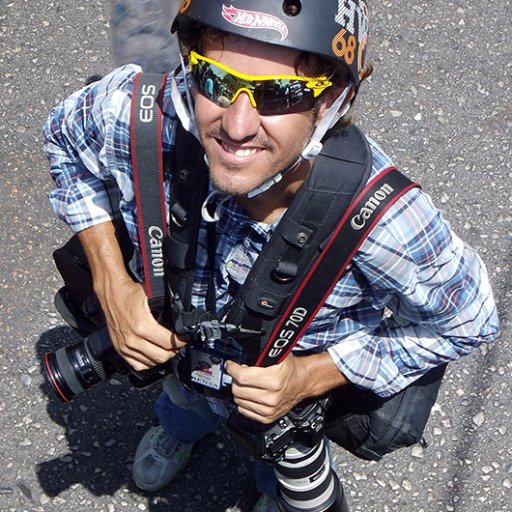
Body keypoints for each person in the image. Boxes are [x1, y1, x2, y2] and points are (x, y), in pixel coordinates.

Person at [43, 1, 499, 511]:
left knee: (280, 457)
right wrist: (113, 284)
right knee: (181, 401)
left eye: (281, 94)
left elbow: (470, 318)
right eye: (214, 80)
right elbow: (64, 137)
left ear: (333, 100)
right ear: (189, 62)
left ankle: (274, 487)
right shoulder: (141, 113)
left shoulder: (387, 222)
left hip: (284, 390)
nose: (236, 128)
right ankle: (180, 429)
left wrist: (312, 375)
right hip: (181, 354)